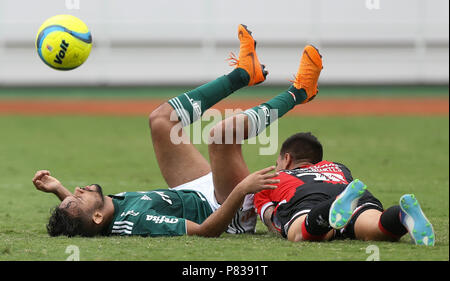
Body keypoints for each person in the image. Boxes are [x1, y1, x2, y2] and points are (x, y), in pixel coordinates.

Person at [33, 24, 277, 238]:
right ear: (98, 217)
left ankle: (244, 73)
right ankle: (297, 94)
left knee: (161, 121)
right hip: (224, 210)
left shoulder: (99, 214)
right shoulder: (136, 221)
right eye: (77, 197)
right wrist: (242, 189)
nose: (77, 190)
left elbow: (82, 217)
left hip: (193, 194)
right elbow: (206, 232)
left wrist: (58, 189)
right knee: (222, 136)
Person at [203, 29, 435, 246]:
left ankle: (287, 89)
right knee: (373, 227)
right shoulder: (337, 168)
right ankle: (402, 216)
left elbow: (274, 221)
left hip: (305, 202)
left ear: (287, 159)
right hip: (348, 194)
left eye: (278, 163)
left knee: (299, 230)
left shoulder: (273, 180)